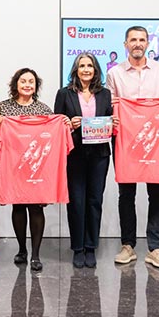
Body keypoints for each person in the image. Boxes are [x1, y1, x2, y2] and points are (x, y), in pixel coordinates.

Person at [106, 25, 159, 269]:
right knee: (127, 193)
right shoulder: (114, 73)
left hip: (156, 140)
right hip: (125, 139)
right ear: (125, 44)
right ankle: (128, 246)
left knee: (158, 193)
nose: (137, 43)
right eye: (133, 39)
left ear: (147, 43)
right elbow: (110, 105)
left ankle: (155, 248)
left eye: (142, 39)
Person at [54, 53, 112, 269]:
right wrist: (69, 123)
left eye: (90, 65)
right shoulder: (64, 94)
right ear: (75, 70)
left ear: (95, 69)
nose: (86, 69)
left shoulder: (105, 94)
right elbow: (56, 123)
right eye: (82, 66)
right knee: (77, 202)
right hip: (75, 154)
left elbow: (110, 122)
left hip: (99, 155)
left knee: (95, 200)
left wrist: (112, 122)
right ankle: (78, 248)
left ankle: (90, 247)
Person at [0, 68, 54, 271]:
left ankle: (36, 254)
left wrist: (62, 123)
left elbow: (52, 139)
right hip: (13, 167)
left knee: (36, 208)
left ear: (36, 86)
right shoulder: (2, 108)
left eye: (31, 81)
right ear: (15, 84)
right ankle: (21, 249)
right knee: (18, 207)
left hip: (37, 167)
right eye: (23, 81)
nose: (27, 84)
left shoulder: (45, 110)